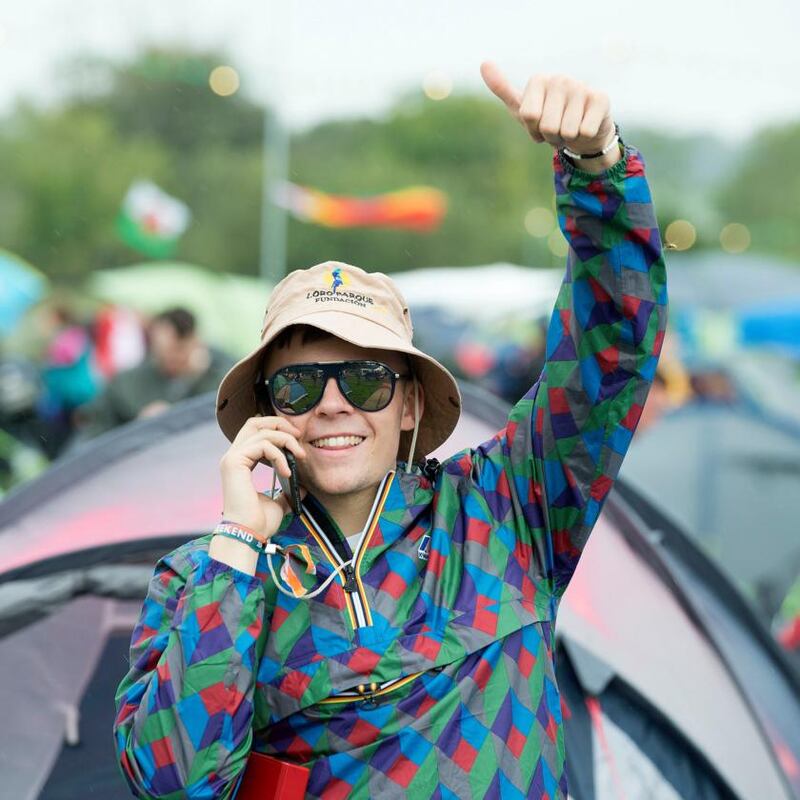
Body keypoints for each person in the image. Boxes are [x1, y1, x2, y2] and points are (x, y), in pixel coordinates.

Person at [113, 65, 667, 799]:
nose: (335, 403)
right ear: (267, 409)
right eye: (302, 384)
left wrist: (597, 170)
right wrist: (238, 549)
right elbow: (172, 784)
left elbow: (611, 353)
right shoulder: (203, 577)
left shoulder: (505, 509)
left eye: (367, 379)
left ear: (409, 404)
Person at [76, 307, 233, 439]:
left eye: (178, 351)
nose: (171, 359)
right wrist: (139, 427)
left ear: (196, 343)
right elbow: (95, 430)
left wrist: (196, 377)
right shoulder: (127, 382)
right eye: (163, 352)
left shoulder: (220, 373)